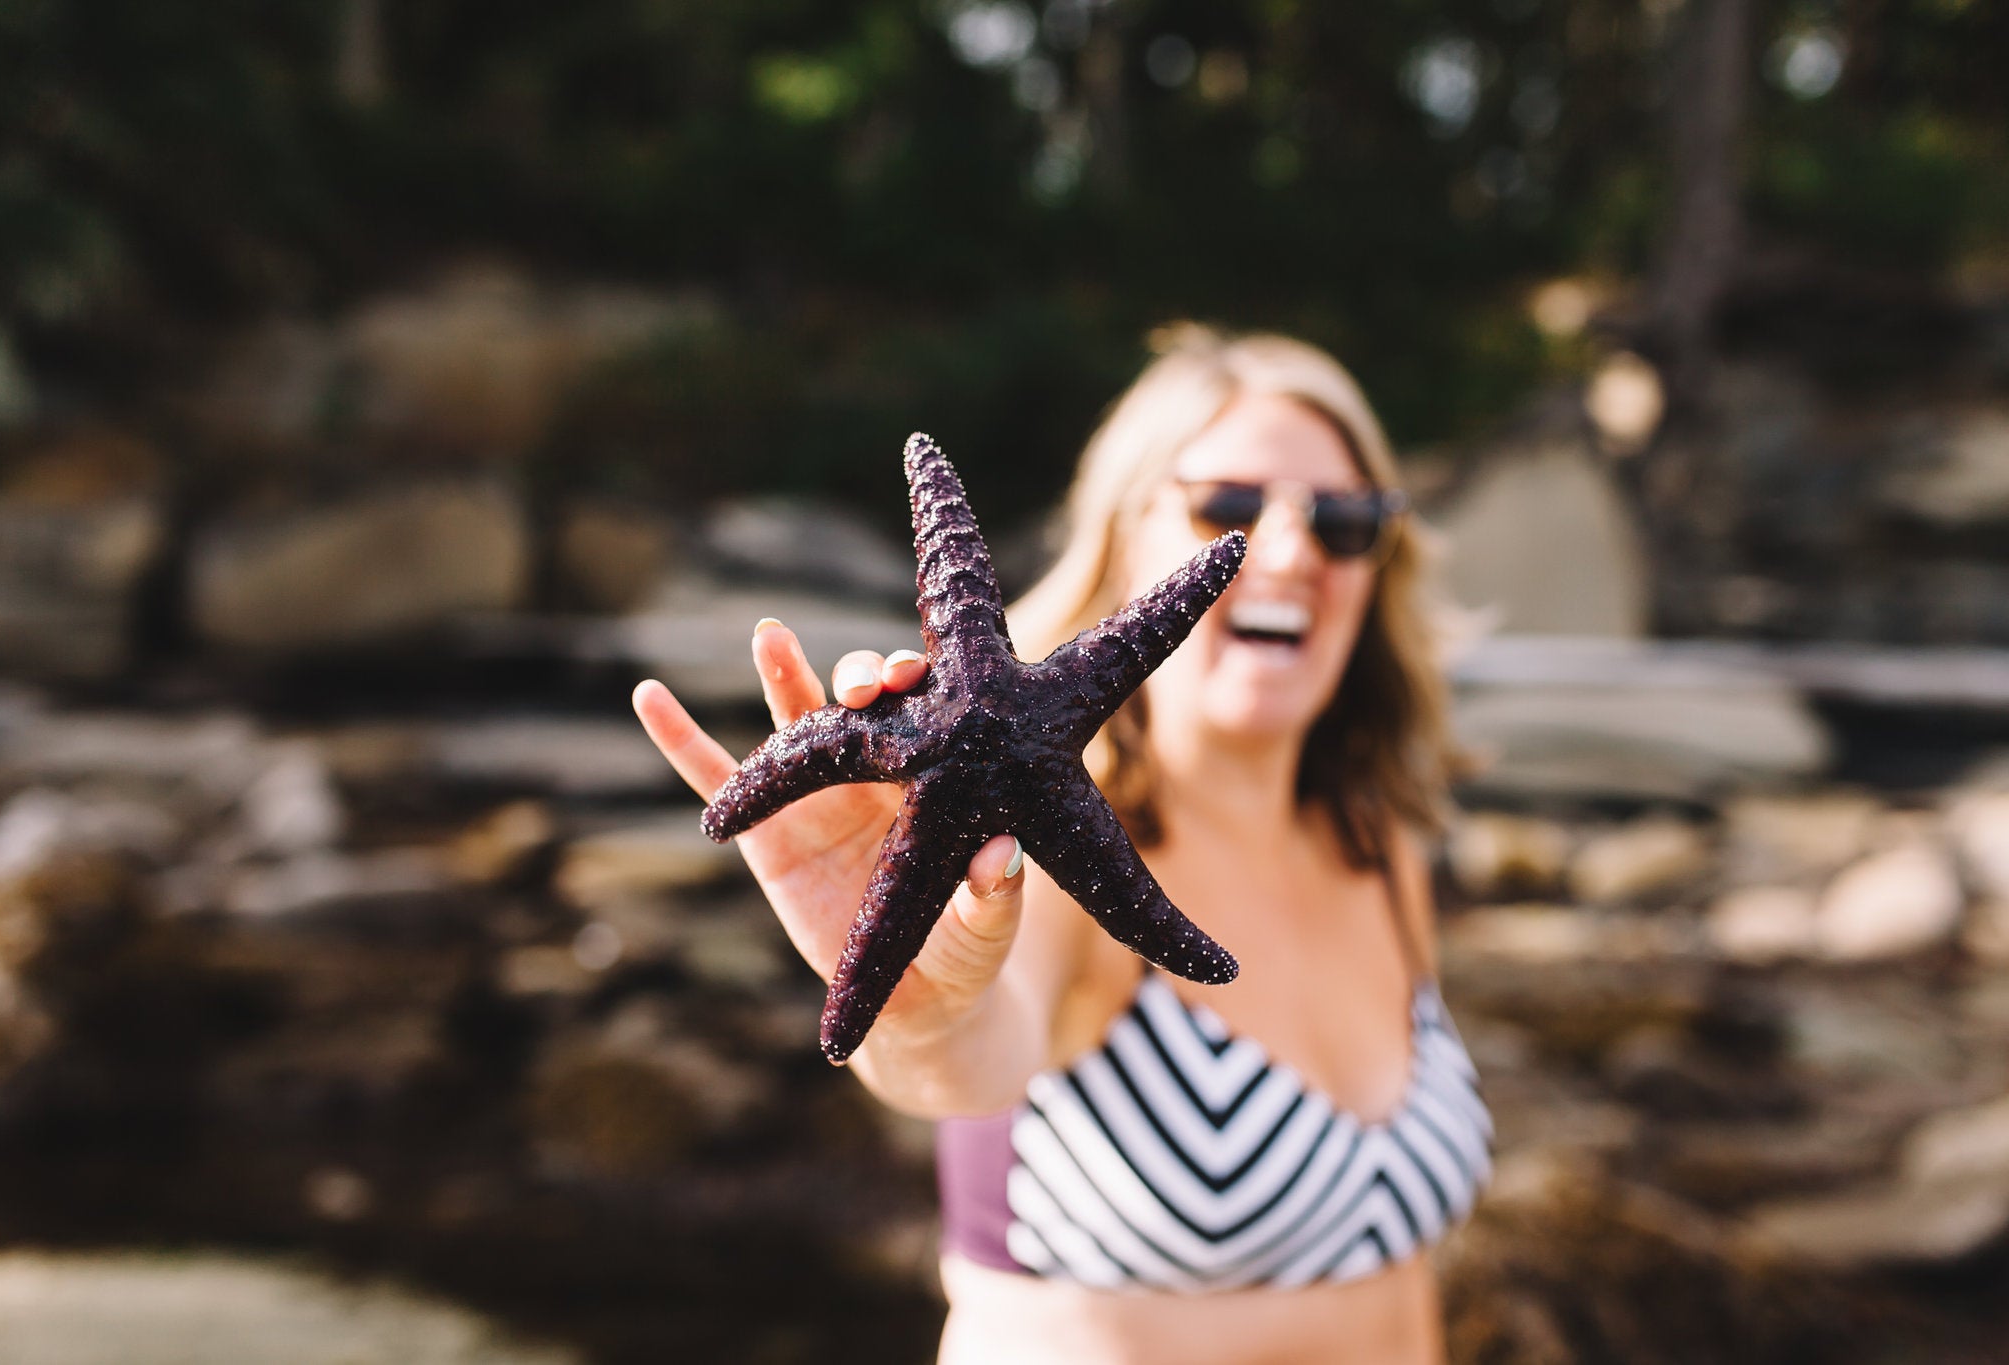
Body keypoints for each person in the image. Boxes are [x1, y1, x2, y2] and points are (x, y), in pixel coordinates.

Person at [634, 325, 1488, 1364]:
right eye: (1229, 506)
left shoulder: (1376, 842)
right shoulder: (1044, 854)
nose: (1289, 548)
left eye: (1345, 518)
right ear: (1128, 535)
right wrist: (915, 999)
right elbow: (968, 1056)